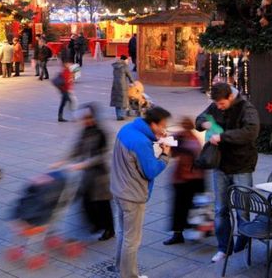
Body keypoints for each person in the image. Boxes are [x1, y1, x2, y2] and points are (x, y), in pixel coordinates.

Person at [195, 83, 259, 264]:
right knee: (220, 209)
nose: (219, 107)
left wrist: (223, 137)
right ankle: (224, 247)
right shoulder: (216, 105)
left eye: (222, 104)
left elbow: (251, 132)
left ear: (230, 96)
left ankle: (243, 242)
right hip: (220, 165)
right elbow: (199, 118)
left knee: (242, 210)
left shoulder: (247, 108)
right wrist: (204, 123)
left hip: (242, 165)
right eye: (216, 104)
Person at [111, 107, 172, 278]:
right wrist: (165, 155)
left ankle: (120, 268)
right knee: (132, 239)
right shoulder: (141, 142)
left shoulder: (127, 129)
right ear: (153, 125)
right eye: (162, 126)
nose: (164, 129)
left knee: (123, 234)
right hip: (132, 194)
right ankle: (129, 275)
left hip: (118, 189)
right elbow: (151, 170)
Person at [51, 104, 114, 241]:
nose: (86, 121)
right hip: (86, 174)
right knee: (86, 201)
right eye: (84, 118)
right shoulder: (85, 131)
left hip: (100, 174)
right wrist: (62, 161)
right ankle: (96, 224)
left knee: (103, 203)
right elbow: (76, 148)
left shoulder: (102, 133)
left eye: (89, 118)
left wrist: (84, 164)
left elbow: (103, 155)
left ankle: (109, 229)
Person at [163, 117, 205, 246]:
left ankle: (183, 233)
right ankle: (183, 233)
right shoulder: (182, 137)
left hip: (189, 180)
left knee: (185, 208)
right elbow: (172, 151)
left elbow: (178, 155)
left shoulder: (192, 142)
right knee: (185, 208)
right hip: (186, 179)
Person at [111, 55, 134, 121]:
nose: (128, 61)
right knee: (123, 99)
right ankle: (121, 115)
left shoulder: (115, 66)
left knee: (116, 99)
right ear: (125, 60)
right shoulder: (124, 66)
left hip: (115, 84)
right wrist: (133, 82)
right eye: (127, 60)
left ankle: (118, 115)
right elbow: (129, 75)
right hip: (122, 84)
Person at [56, 58, 74, 122]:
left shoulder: (67, 71)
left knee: (64, 103)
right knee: (70, 103)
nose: (70, 64)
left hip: (64, 90)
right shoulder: (65, 71)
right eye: (69, 64)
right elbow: (66, 81)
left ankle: (60, 117)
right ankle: (72, 116)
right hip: (65, 90)